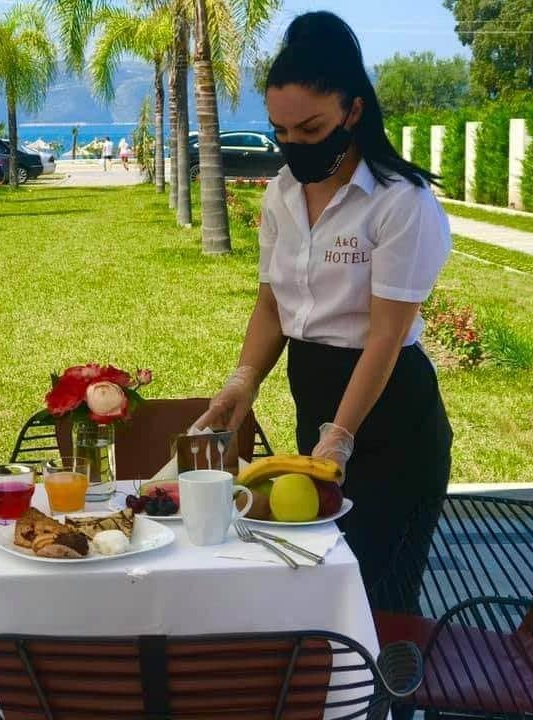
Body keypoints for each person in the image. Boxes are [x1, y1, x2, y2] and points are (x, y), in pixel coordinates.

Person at [194, 11, 453, 619]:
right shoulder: (282, 193)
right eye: (281, 131)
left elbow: (386, 336)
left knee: (378, 596)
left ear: (353, 112)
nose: (295, 145)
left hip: (389, 416)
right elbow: (272, 304)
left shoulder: (400, 202)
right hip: (315, 397)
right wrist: (243, 382)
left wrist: (342, 436)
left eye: (311, 129)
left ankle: (390, 681)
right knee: (323, 578)